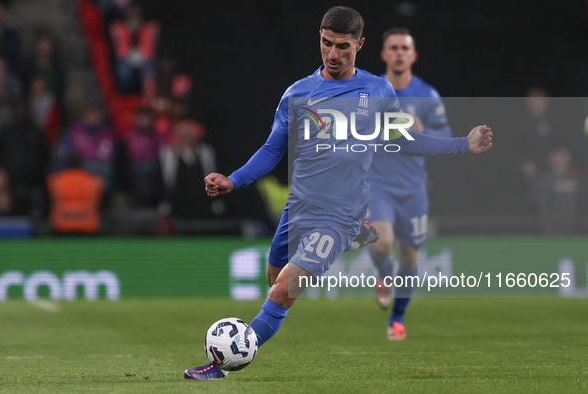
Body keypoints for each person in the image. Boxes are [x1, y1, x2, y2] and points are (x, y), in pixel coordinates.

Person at [185, 6, 492, 380]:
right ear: (319, 37)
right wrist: (234, 180)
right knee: (274, 278)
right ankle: (353, 239)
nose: (333, 54)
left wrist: (463, 144)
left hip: (339, 215)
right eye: (326, 43)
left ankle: (223, 366)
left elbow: (404, 139)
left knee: (282, 291)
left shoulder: (377, 90)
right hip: (298, 209)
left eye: (342, 47)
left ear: (359, 45)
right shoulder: (298, 93)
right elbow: (271, 150)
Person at [367, 28, 453, 341]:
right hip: (378, 184)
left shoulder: (427, 95)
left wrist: (423, 128)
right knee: (381, 242)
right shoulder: (372, 91)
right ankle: (381, 274)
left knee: (410, 258)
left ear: (413, 55)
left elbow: (445, 138)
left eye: (405, 47)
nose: (400, 52)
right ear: (384, 54)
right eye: (394, 47)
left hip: (414, 188)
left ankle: (397, 319)